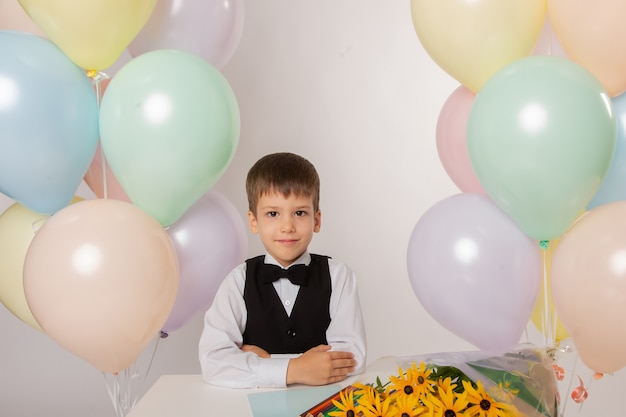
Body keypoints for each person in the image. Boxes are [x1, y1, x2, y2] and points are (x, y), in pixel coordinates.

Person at [199, 152, 366, 388]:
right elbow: (213, 362)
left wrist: (265, 361)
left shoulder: (339, 276)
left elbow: (352, 358)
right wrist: (295, 369)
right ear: (253, 221)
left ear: (316, 220)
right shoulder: (237, 281)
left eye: (299, 213)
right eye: (273, 214)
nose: (287, 226)